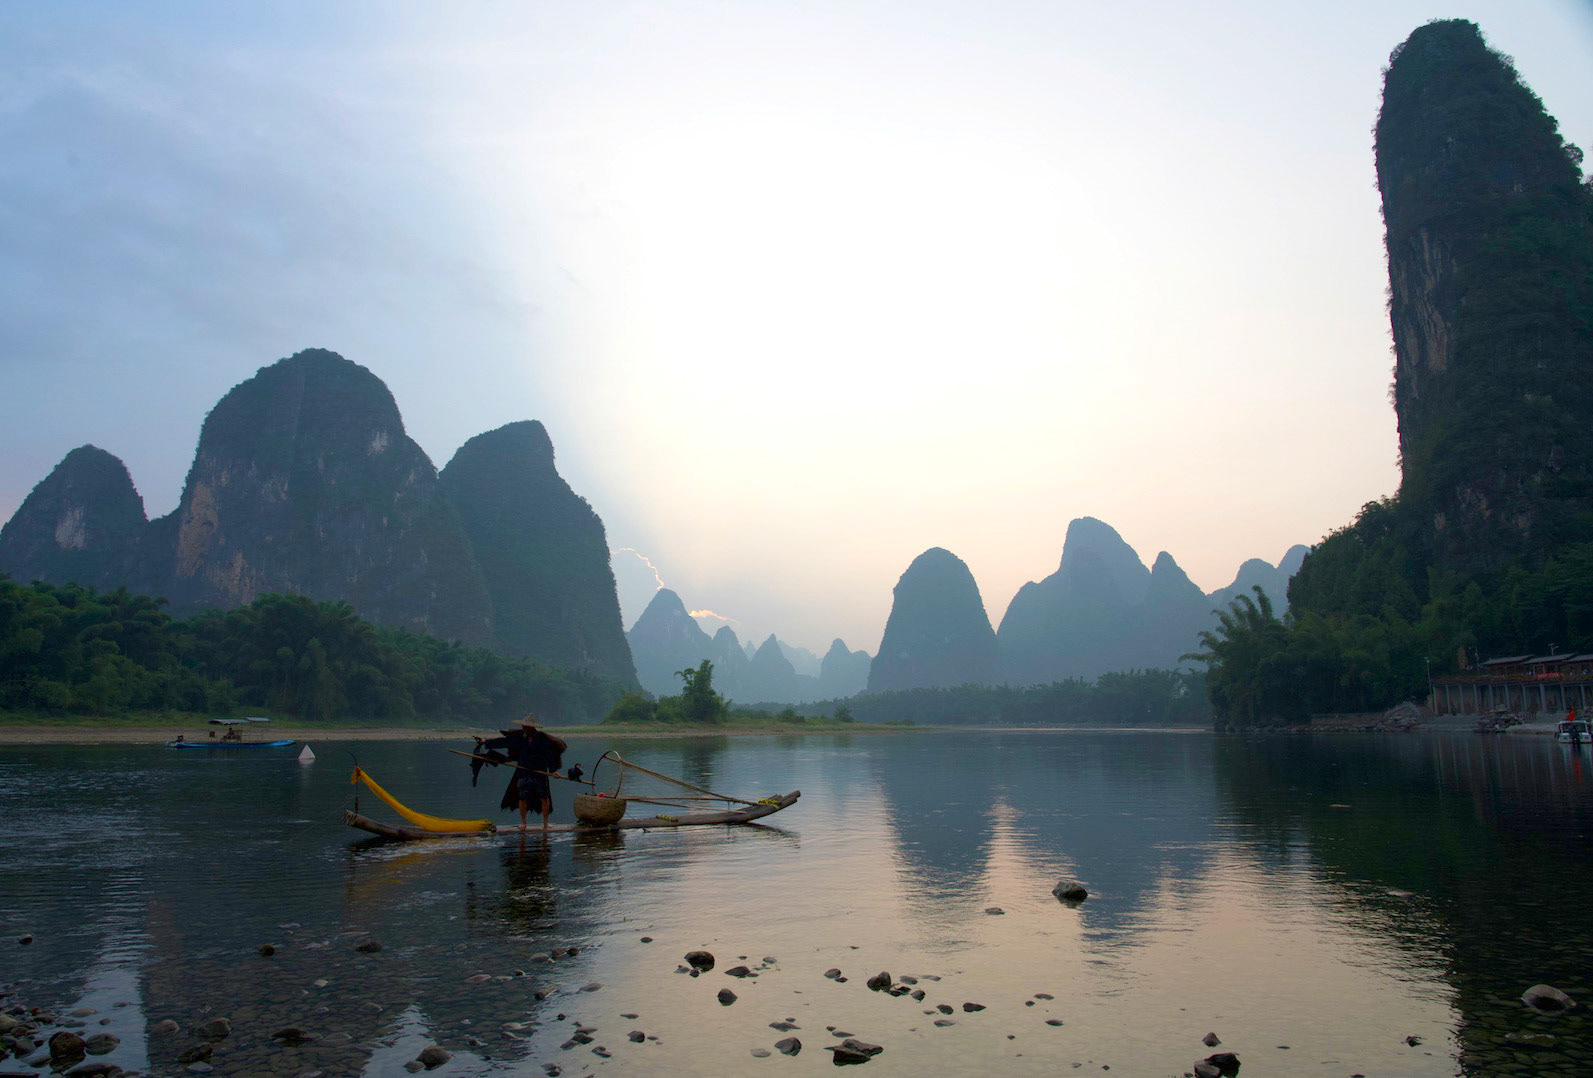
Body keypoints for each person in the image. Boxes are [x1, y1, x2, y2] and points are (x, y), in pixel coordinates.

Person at [478, 715, 567, 831]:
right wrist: (485, 742)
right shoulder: (519, 737)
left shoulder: (542, 739)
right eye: (523, 726)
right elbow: (503, 742)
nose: (523, 728)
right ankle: (523, 823)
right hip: (523, 771)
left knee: (544, 798)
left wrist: (553, 771)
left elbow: (549, 755)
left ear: (531, 727)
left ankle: (546, 823)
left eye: (525, 726)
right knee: (522, 798)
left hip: (540, 772)